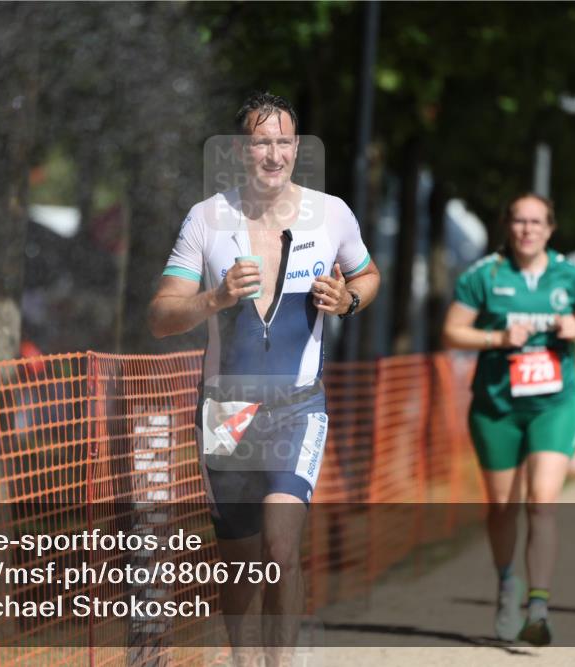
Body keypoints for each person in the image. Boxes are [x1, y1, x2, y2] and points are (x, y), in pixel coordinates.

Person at [147, 91, 379, 664]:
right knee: (241, 559)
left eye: (282, 141)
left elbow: (369, 274)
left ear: (296, 147)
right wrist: (214, 298)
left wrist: (347, 298)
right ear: (239, 150)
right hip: (228, 412)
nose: (272, 154)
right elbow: (159, 316)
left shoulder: (331, 214)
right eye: (260, 142)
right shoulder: (206, 221)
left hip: (299, 406)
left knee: (279, 547)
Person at [442, 193, 575, 646]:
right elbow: (452, 330)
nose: (528, 229)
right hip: (497, 407)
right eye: (519, 221)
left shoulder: (569, 276)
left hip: (554, 404)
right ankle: (507, 584)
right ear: (507, 227)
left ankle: (539, 605)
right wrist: (497, 337)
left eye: (536, 222)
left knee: (542, 501)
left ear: (550, 229)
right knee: (502, 507)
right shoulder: (484, 275)